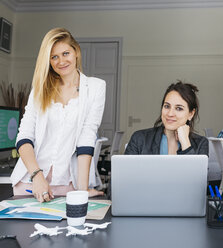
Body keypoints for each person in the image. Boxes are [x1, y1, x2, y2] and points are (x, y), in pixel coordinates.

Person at [10, 28, 106, 202]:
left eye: (65, 53)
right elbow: (24, 136)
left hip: (68, 185)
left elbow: (87, 137)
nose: (61, 61)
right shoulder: (40, 90)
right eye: (54, 57)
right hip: (30, 184)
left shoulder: (95, 88)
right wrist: (37, 177)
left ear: (76, 51)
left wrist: (82, 190)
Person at [125, 81, 208, 155]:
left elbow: (195, 172)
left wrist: (185, 143)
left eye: (179, 108)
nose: (170, 113)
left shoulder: (201, 144)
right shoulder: (139, 139)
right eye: (167, 106)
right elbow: (125, 171)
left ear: (191, 114)